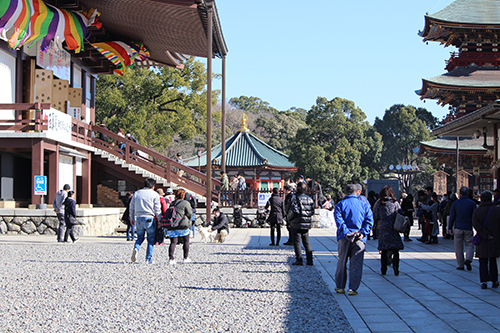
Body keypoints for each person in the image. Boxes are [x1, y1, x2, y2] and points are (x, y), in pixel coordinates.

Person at [334, 184, 374, 296]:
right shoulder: (364, 205)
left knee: (342, 262)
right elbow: (369, 220)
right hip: (360, 238)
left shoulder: (340, 205)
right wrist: (363, 233)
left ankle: (340, 286)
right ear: (357, 192)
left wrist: (347, 232)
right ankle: (353, 288)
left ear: (345, 193)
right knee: (356, 263)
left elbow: (339, 221)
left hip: (344, 237)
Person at [373, 185, 404, 276]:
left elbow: (376, 214)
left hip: (383, 228)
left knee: (384, 250)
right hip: (394, 227)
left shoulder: (379, 203)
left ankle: (383, 269)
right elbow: (400, 212)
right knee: (395, 250)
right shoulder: (395, 203)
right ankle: (396, 267)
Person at [130, 178, 162, 264]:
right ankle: (148, 258)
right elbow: (157, 209)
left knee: (140, 237)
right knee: (150, 239)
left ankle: (136, 248)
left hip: (139, 217)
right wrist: (159, 220)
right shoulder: (154, 194)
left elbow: (131, 207)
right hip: (149, 218)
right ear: (152, 186)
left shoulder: (137, 193)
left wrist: (131, 217)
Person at [473, 191, 500, 289]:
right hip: (495, 239)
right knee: (493, 260)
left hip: (482, 239)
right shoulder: (497, 210)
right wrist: (492, 235)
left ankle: (483, 281)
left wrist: (485, 234)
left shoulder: (477, 211)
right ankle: (494, 280)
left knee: (483, 261)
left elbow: (476, 225)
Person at [449, 186, 477, 271]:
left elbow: (452, 216)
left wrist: (450, 227)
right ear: (468, 193)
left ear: (460, 193)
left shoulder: (455, 203)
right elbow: (475, 216)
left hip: (458, 227)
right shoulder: (472, 203)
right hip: (468, 227)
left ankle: (460, 265)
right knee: (470, 245)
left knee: (458, 247)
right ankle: (468, 259)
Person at [287, 181, 314, 266]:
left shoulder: (294, 198)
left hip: (295, 222)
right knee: (307, 242)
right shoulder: (310, 199)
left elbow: (290, 210)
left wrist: (288, 219)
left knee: (297, 242)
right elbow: (312, 211)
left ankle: (299, 259)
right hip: (306, 223)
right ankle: (310, 260)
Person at [166, 188, 193, 265]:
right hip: (182, 225)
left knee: (173, 242)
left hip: (173, 224)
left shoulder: (173, 203)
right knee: (186, 241)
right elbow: (189, 214)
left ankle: (171, 259)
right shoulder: (186, 203)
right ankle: (185, 258)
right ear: (183, 195)